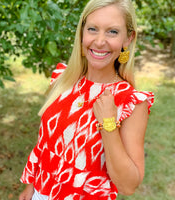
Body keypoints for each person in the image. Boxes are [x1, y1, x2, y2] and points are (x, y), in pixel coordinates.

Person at [19, 0, 154, 199]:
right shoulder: (63, 79)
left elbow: (128, 186)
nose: (99, 41)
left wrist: (108, 124)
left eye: (112, 32)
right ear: (82, 33)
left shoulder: (130, 102)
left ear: (128, 38)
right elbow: (46, 143)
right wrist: (32, 186)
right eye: (92, 29)